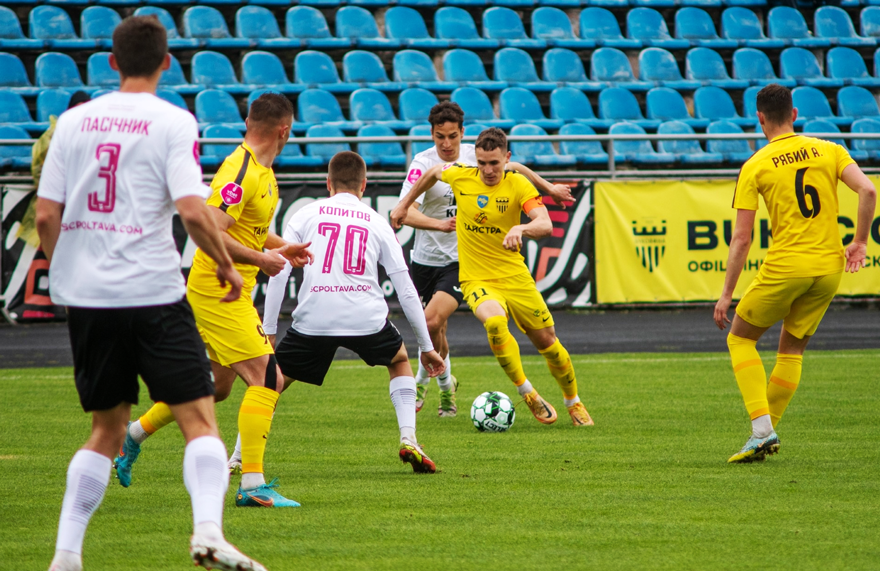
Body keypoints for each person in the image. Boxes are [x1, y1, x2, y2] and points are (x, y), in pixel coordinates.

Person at [36, 15, 265, 571]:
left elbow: (45, 216)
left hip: (92, 299)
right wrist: (227, 266)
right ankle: (208, 532)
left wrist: (70, 276)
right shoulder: (173, 120)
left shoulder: (73, 122)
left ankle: (66, 555)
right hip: (153, 292)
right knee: (200, 420)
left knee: (104, 430)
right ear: (166, 62)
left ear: (111, 62)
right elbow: (192, 210)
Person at [115, 93, 312, 508]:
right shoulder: (241, 170)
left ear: (248, 121)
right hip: (218, 289)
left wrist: (281, 247)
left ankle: (132, 435)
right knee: (268, 378)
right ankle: (252, 485)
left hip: (230, 288)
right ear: (285, 130)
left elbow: (246, 228)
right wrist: (261, 259)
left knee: (215, 388)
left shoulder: (261, 170)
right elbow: (211, 228)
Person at [714, 83, 876, 463]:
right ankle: (763, 433)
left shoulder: (755, 165)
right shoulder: (830, 150)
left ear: (760, 118)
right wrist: (860, 241)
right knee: (791, 350)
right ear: (795, 114)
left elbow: (742, 238)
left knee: (740, 340)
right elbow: (868, 191)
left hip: (787, 266)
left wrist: (726, 294)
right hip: (829, 268)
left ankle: (761, 431)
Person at [391, 128, 594, 428]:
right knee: (496, 323)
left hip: (514, 276)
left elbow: (545, 224)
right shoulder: (461, 175)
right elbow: (432, 172)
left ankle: (573, 401)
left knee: (549, 343)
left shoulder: (517, 184)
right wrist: (404, 204)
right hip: (476, 279)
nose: (487, 170)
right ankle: (527, 391)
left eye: (494, 163)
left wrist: (521, 228)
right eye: (482, 163)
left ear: (506, 159)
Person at [262, 151, 446, 473]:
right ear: (363, 185)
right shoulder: (376, 220)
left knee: (271, 382)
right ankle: (408, 438)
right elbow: (405, 289)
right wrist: (427, 347)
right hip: (366, 319)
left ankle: (239, 455)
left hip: (314, 317)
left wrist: (270, 331)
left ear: (328, 183)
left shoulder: (305, 214)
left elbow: (279, 272)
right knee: (399, 360)